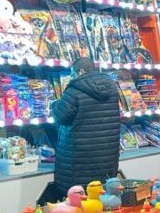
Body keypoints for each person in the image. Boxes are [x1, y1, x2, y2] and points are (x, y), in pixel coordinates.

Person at [49, 58, 121, 198]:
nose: (72, 77)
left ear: (80, 71)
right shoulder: (112, 88)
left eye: (72, 73)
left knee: (78, 203)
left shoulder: (75, 89)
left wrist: (54, 105)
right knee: (100, 200)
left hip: (79, 161)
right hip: (106, 157)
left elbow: (60, 116)